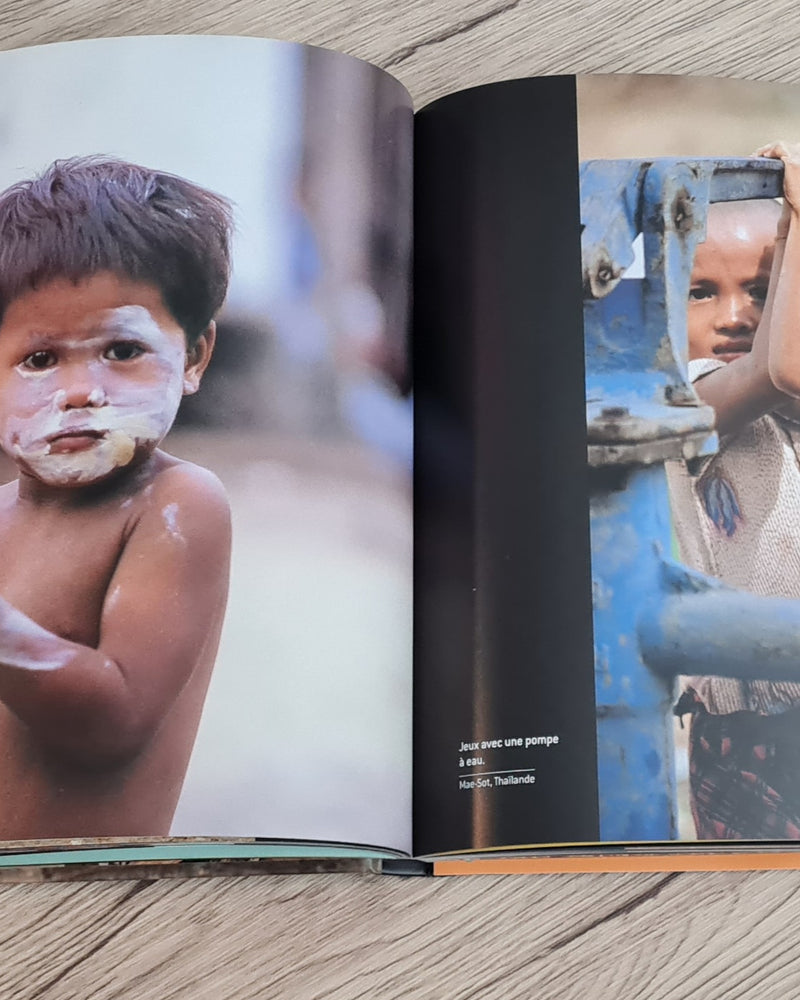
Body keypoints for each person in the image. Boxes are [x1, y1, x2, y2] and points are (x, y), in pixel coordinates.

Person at [0, 156, 233, 840]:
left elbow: (112, 721)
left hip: (85, 892)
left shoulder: (175, 504)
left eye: (122, 350)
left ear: (194, 357)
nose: (80, 390)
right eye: (39, 360)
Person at [668, 141, 800, 840]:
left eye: (762, 289)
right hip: (751, 731)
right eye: (701, 291)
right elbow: (779, 368)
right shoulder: (683, 401)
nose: (736, 315)